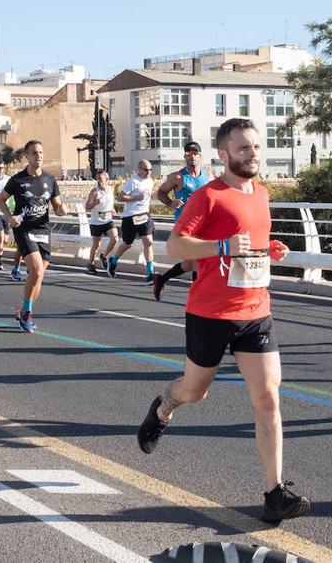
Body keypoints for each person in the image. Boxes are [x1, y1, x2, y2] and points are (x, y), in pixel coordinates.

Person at [135, 118, 309, 524]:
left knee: (268, 397)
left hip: (255, 311)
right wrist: (221, 245)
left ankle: (274, 493)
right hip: (210, 313)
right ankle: (162, 409)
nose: (252, 154)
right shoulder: (208, 197)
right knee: (194, 392)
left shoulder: (262, 194)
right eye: (243, 148)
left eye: (256, 147)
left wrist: (270, 249)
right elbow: (175, 245)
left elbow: (250, 243)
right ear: (223, 154)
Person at [0, 139, 67, 333]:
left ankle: (22, 309)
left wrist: (61, 209)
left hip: (43, 230)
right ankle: (27, 313)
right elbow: (1, 200)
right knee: (36, 270)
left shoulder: (50, 179)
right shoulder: (17, 180)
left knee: (39, 275)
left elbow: (57, 205)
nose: (38, 156)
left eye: (41, 152)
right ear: (27, 156)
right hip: (24, 229)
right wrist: (10, 218)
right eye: (34, 153)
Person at [152, 141, 212, 299]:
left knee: (190, 264)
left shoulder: (208, 176)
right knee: (196, 263)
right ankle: (198, 298)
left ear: (200, 156)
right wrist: (171, 203)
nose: (191, 157)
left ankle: (161, 279)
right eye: (188, 154)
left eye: (195, 153)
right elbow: (161, 193)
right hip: (186, 226)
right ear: (185, 156)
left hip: (203, 225)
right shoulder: (177, 177)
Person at [111, 160, 156, 281]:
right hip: (130, 216)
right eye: (146, 170)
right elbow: (120, 197)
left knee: (148, 241)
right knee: (127, 243)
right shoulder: (133, 181)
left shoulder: (150, 181)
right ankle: (113, 260)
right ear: (140, 169)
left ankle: (150, 271)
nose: (149, 172)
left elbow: (150, 195)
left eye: (150, 170)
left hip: (144, 215)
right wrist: (136, 197)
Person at [85, 171, 118, 274]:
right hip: (96, 220)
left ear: (107, 180)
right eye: (97, 179)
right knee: (96, 244)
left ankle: (104, 256)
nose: (99, 181)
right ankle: (90, 263)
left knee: (115, 238)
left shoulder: (110, 190)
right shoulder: (94, 192)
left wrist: (112, 209)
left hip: (108, 219)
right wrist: (94, 203)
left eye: (101, 179)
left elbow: (109, 202)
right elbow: (87, 207)